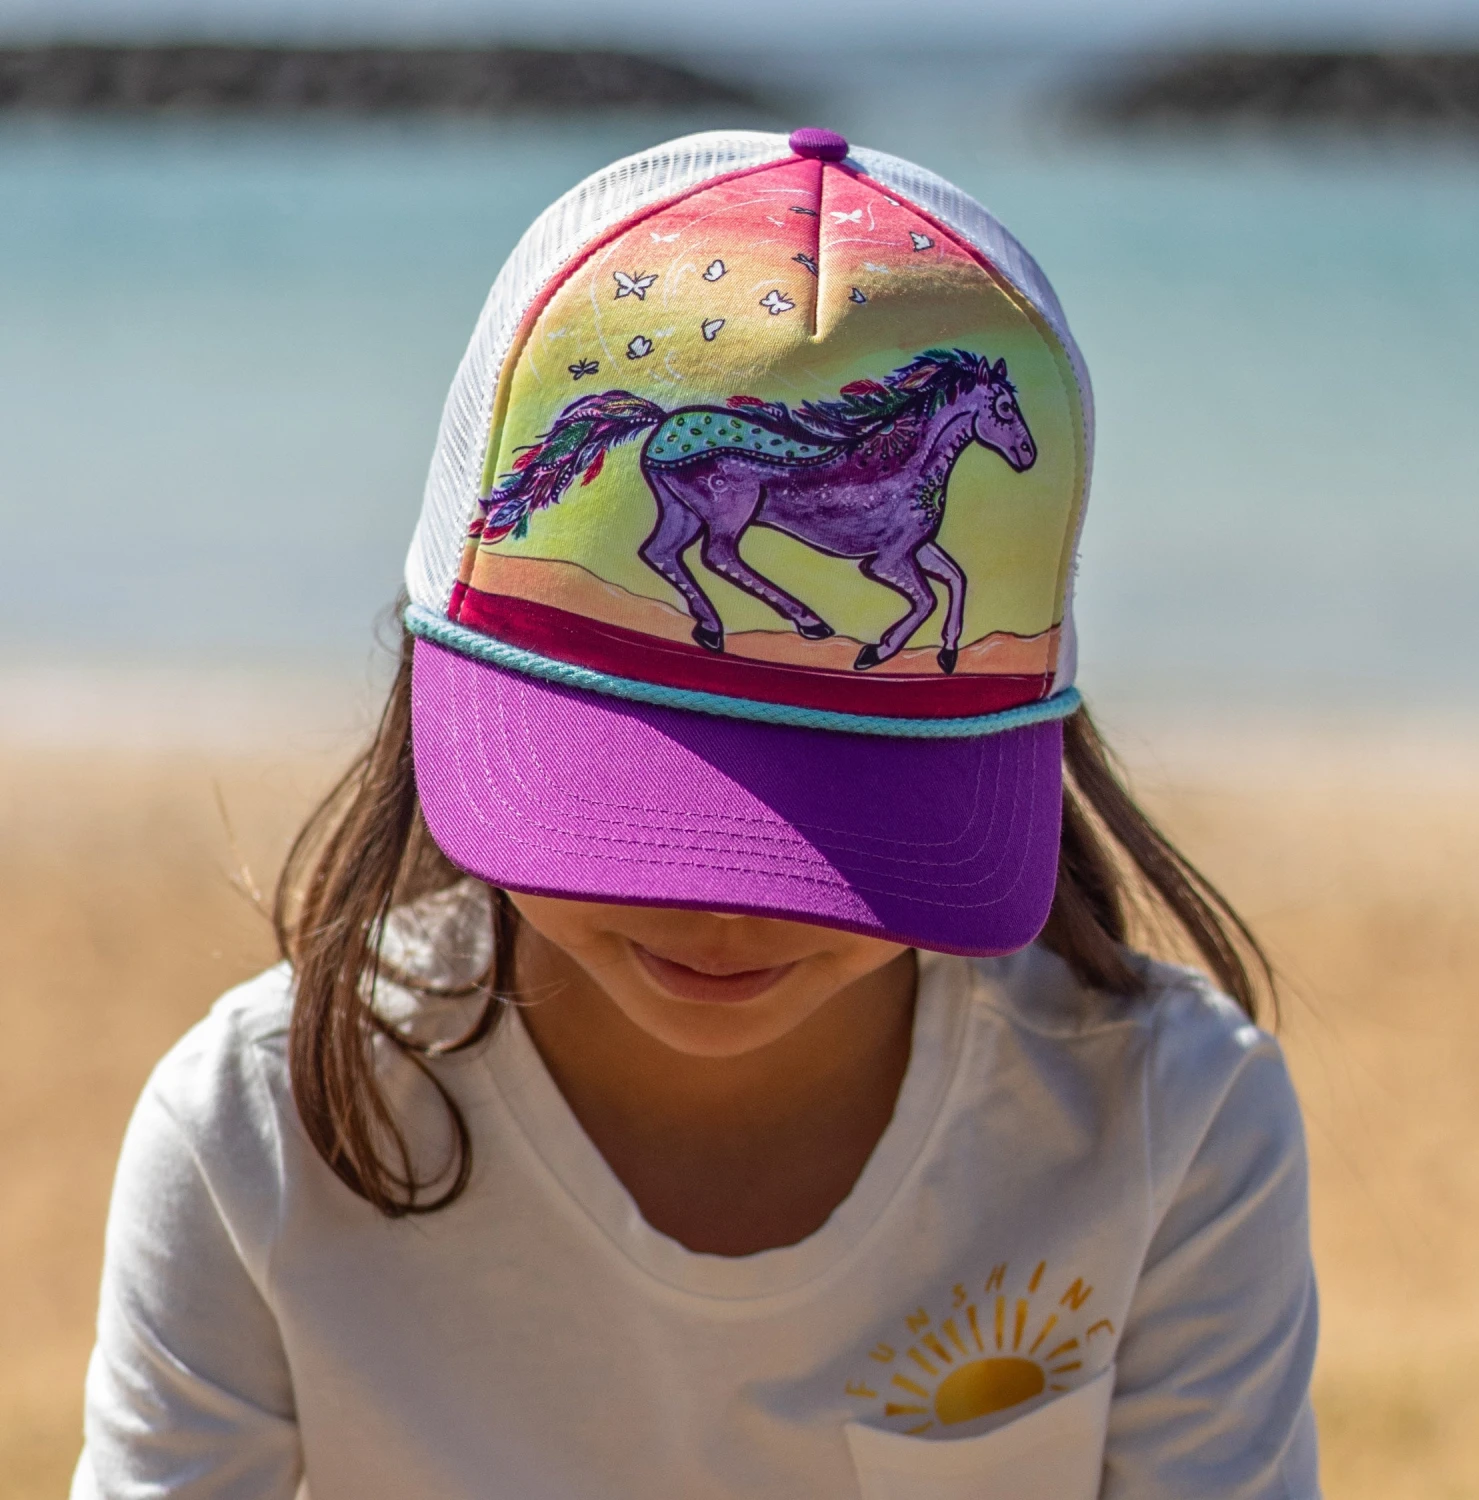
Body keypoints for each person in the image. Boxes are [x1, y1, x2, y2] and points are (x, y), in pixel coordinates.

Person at [73, 128, 1319, 1500]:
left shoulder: (1175, 1127)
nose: (729, 900)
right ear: (440, 687)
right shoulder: (253, 1134)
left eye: (844, 823)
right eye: (631, 803)